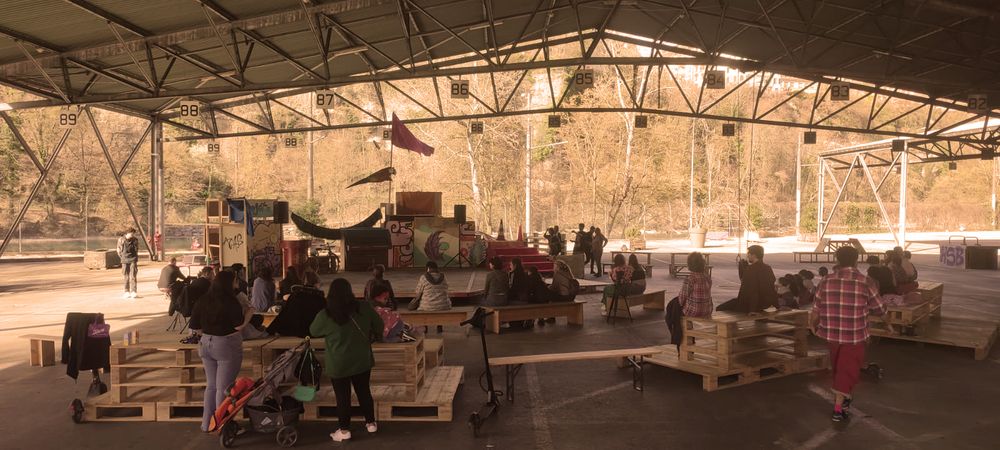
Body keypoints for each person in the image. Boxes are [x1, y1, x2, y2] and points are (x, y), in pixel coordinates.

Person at [810, 246, 889, 423]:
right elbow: (880, 308)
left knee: (839, 369)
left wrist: (813, 326)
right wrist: (887, 321)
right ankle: (838, 409)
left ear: (836, 260)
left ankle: (844, 399)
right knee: (847, 371)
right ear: (856, 260)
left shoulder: (826, 280)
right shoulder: (865, 281)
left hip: (831, 335)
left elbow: (815, 309)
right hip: (854, 336)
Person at [309, 278, 382, 442]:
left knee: (343, 397)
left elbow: (313, 331)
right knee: (364, 391)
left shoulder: (326, 314)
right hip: (362, 360)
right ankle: (371, 424)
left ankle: (344, 430)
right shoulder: (363, 307)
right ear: (350, 291)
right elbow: (379, 325)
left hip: (339, 363)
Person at [189, 270, 253, 432]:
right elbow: (238, 326)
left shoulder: (203, 299)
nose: (237, 284)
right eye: (235, 281)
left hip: (205, 344)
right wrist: (249, 314)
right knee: (224, 388)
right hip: (226, 345)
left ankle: (206, 423)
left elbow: (195, 327)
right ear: (229, 283)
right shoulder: (230, 302)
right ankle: (224, 425)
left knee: (211, 386)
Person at [716, 245, 778, 313]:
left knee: (719, 308)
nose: (747, 256)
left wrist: (752, 310)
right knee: (734, 302)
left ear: (753, 255)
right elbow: (772, 288)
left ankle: (733, 322)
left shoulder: (750, 269)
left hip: (751, 304)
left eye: (748, 254)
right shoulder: (768, 268)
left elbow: (751, 290)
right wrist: (777, 306)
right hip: (765, 303)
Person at [407, 261, 451, 333]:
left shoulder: (423, 277)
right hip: (443, 305)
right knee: (439, 304)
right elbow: (446, 288)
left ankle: (425, 326)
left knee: (425, 305)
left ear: (428, 268)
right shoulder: (443, 277)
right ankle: (439, 326)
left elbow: (418, 292)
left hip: (427, 306)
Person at [678, 252, 712, 318]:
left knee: (673, 306)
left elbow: (681, 299)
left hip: (693, 311)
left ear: (689, 264)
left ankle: (679, 327)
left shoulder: (690, 279)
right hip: (707, 310)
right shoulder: (707, 277)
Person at [117, 228, 140, 299]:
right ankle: (126, 291)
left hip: (133, 259)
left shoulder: (135, 240)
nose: (132, 235)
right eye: (131, 234)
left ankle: (133, 291)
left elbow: (137, 249)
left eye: (133, 234)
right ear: (127, 233)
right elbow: (118, 250)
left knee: (133, 276)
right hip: (124, 260)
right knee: (126, 276)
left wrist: (135, 257)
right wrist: (122, 257)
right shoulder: (121, 239)